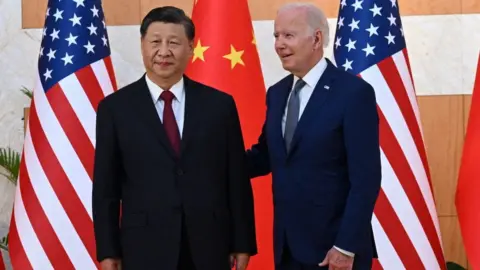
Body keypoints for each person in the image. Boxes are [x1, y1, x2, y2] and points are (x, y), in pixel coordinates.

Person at [92, 6, 257, 270]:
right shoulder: (115, 109)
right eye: (155, 42)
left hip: (210, 244)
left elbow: (235, 179)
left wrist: (242, 241)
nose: (164, 51)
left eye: (174, 42)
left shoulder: (220, 105)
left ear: (191, 48)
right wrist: (108, 251)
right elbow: (105, 189)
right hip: (143, 246)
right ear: (143, 45)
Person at [246, 3, 382, 270]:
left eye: (288, 35)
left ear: (317, 39)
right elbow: (267, 156)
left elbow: (366, 179)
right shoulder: (276, 93)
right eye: (276, 36)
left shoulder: (353, 93)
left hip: (335, 253)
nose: (279, 45)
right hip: (287, 248)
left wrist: (345, 247)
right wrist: (212, 160)